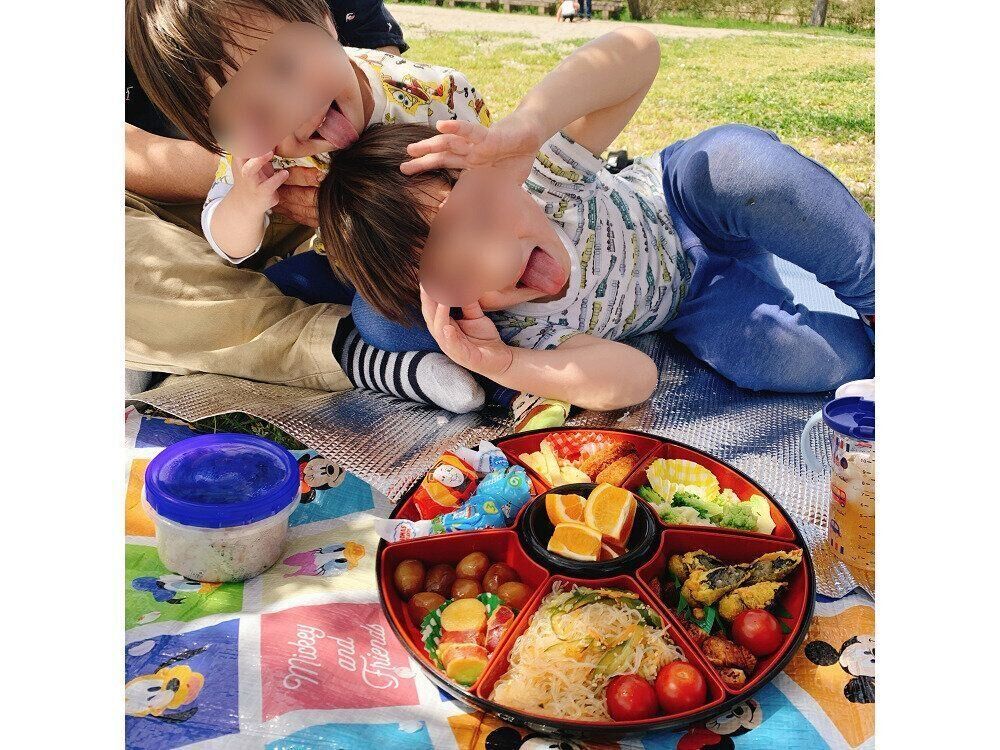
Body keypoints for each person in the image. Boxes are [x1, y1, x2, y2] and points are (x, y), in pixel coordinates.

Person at [314, 28, 875, 411]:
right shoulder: (520, 333)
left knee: (734, 163)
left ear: (487, 174)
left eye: (481, 216)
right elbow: (635, 379)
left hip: (683, 203)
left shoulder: (542, 181)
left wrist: (529, 127)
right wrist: (502, 363)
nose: (498, 263)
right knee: (803, 360)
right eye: (461, 275)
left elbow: (637, 53)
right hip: (700, 302)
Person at [124, 0, 486, 412]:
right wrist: (247, 201)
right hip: (357, 265)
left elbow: (503, 183)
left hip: (448, 246)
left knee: (421, 311)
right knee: (343, 309)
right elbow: (229, 245)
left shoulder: (430, 95)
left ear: (328, 22)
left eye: (286, 65)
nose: (297, 106)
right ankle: (374, 355)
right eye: (257, 110)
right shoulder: (257, 149)